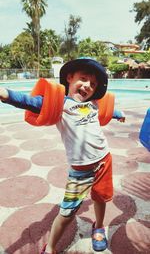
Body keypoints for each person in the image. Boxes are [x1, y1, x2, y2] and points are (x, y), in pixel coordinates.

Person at [0, 57, 125, 254]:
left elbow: (105, 112)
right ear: (69, 77)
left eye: (92, 84)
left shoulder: (93, 104)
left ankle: (98, 226)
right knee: (67, 212)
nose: (87, 86)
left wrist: (118, 114)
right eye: (83, 79)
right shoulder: (60, 104)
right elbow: (30, 102)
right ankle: (50, 248)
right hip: (80, 170)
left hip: (104, 160)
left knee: (101, 198)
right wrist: (6, 94)